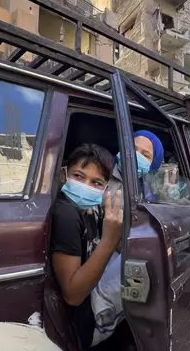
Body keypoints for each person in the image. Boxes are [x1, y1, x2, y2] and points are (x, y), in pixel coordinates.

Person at [50, 143, 123, 350]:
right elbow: (72, 295)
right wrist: (110, 241)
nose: (86, 186)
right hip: (81, 325)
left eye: (96, 182)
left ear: (106, 188)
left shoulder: (91, 209)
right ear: (64, 175)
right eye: (79, 176)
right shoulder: (66, 215)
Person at [106, 130, 164, 206]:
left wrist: (166, 195)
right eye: (133, 149)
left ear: (153, 164)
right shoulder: (103, 169)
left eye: (145, 155)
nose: (135, 156)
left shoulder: (147, 192)